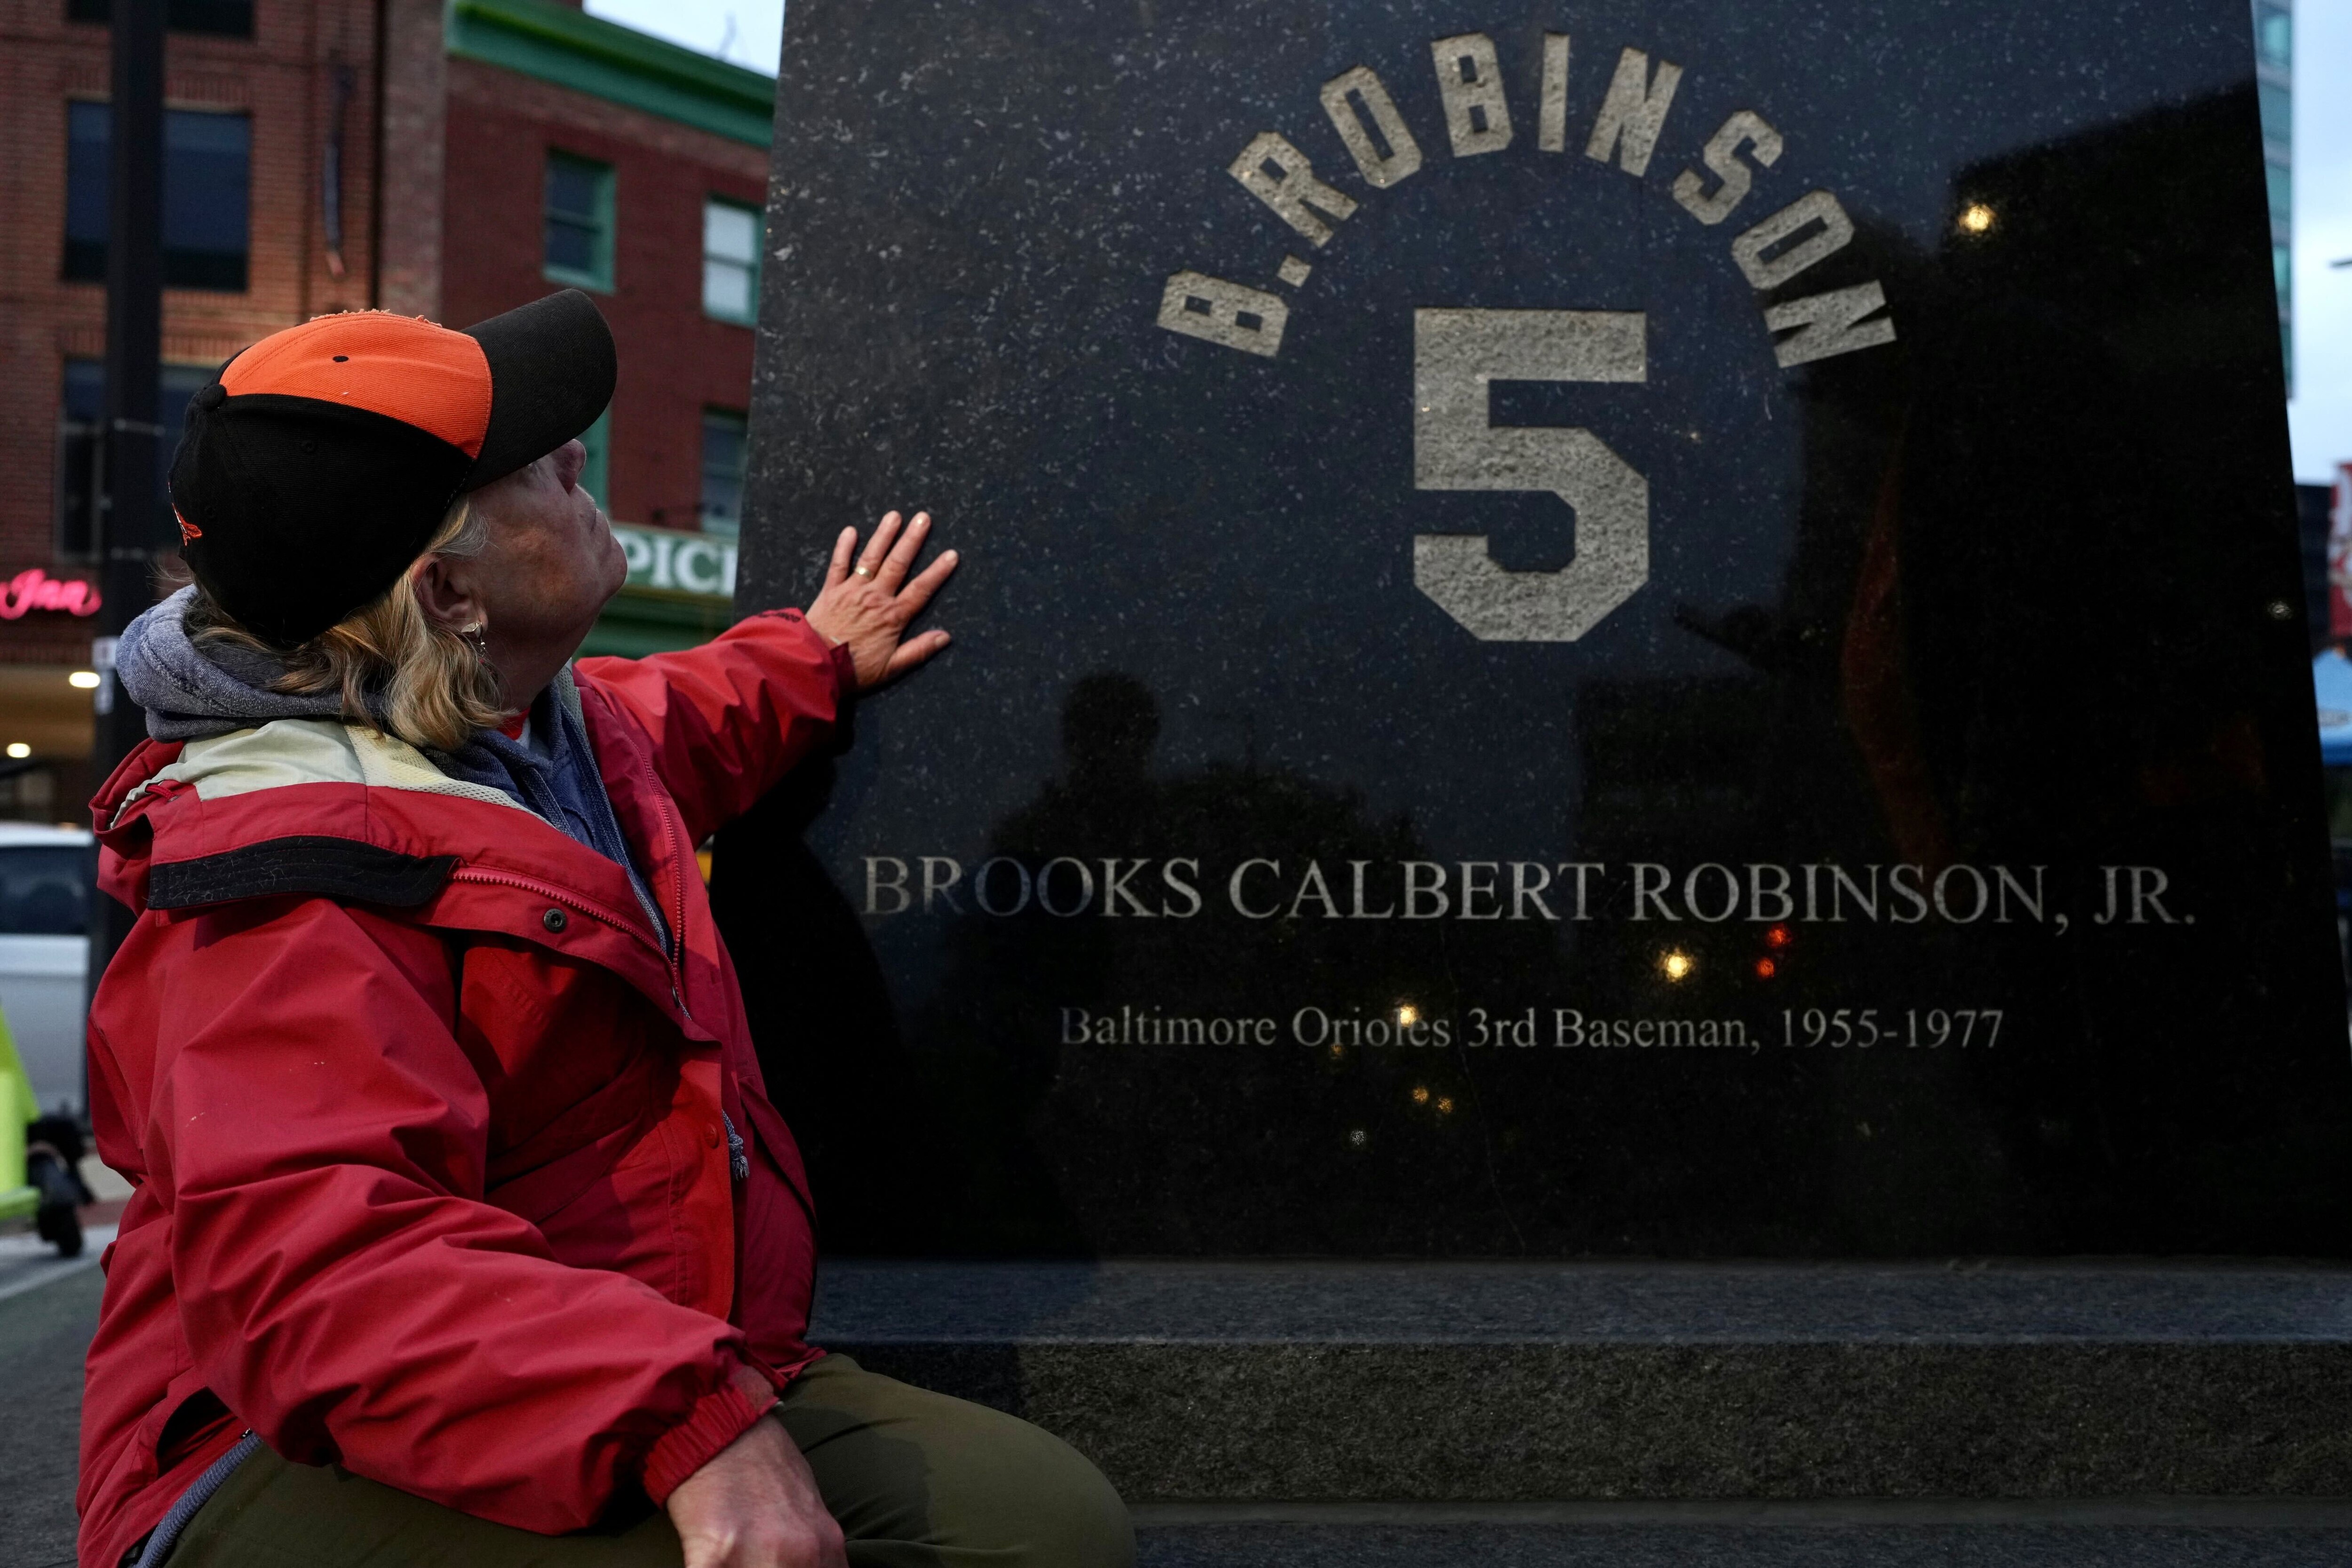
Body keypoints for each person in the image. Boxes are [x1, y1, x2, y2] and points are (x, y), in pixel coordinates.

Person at [76, 291, 1133, 1568]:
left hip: (639, 1358)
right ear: (451, 590)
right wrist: (686, 1421)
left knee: (1041, 1528)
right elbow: (323, 1279)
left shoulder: (536, 730)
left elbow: (678, 714)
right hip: (287, 1447)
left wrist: (813, 656)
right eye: (527, 463)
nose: (578, 454)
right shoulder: (291, 883)